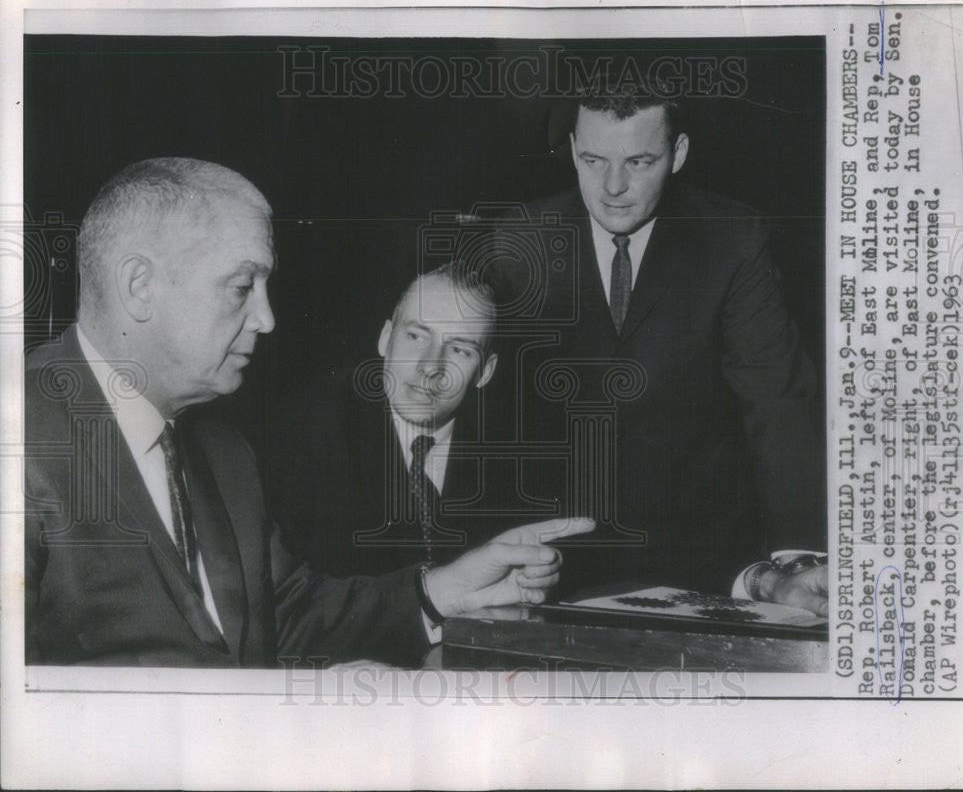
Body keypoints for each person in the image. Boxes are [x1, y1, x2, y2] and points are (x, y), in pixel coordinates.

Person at [24, 157, 593, 667]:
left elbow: (284, 618)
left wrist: (442, 591)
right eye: (242, 287)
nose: (267, 319)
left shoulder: (223, 450)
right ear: (139, 286)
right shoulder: (20, 438)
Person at [484, 83, 828, 613]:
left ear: (678, 154)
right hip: (551, 561)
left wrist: (797, 560)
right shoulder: (519, 238)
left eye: (639, 161)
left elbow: (776, 401)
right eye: (593, 159)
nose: (613, 186)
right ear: (574, 149)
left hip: (706, 557)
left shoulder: (732, 238)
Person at [270, 263, 533, 578]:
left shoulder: (517, 452)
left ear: (485, 372)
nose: (430, 366)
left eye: (460, 350)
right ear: (384, 338)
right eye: (416, 336)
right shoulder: (307, 426)